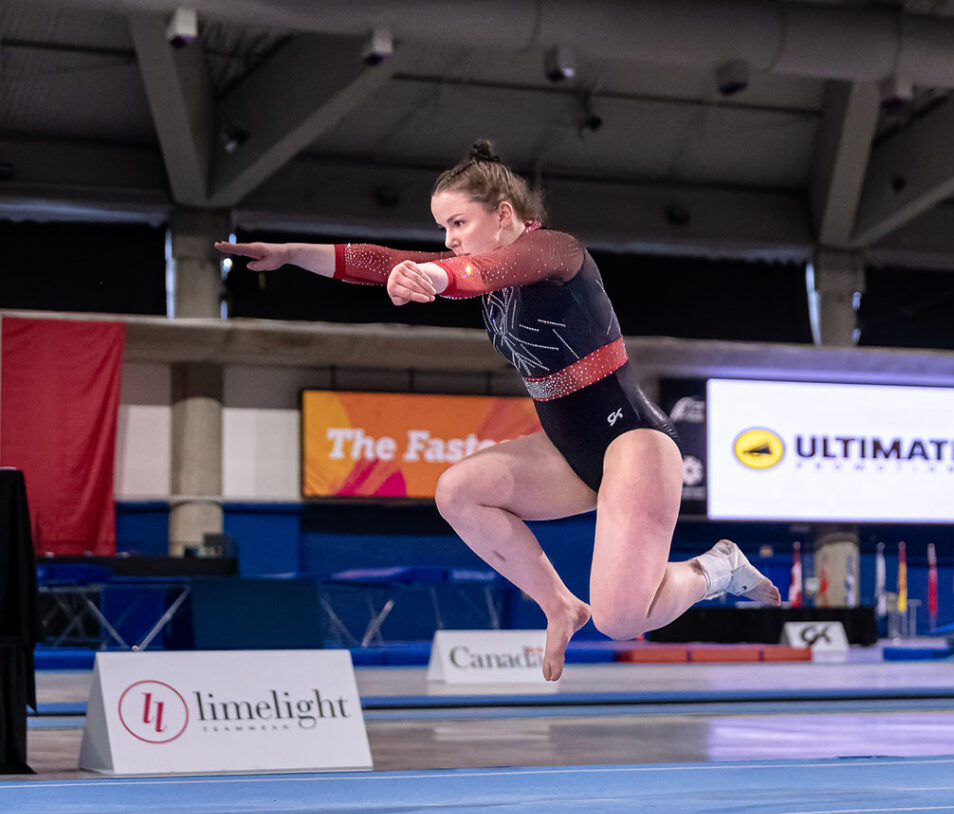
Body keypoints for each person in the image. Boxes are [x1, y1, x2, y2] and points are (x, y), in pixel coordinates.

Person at [215, 139, 780, 681]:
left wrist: (432, 277)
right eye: (442, 229)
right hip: (567, 451)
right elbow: (375, 260)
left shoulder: (554, 250)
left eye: (458, 224)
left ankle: (718, 568)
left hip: (633, 443)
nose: (449, 239)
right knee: (457, 491)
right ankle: (559, 605)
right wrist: (289, 254)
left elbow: (472, 273)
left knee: (621, 620)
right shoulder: (483, 271)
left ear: (503, 213)